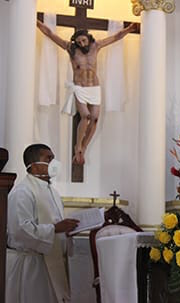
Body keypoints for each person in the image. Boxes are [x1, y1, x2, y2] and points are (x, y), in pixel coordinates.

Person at [36, 20, 138, 165]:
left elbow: (116, 37)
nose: (82, 44)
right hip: (80, 88)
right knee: (86, 116)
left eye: (83, 40)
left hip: (94, 87)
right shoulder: (70, 48)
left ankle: (84, 147)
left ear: (88, 38)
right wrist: (37, 22)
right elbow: (50, 33)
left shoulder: (96, 46)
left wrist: (129, 29)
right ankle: (78, 146)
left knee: (95, 119)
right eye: (78, 42)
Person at [6, 144, 79, 303]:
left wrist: (67, 231)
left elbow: (56, 226)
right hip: (32, 266)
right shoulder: (22, 192)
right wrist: (55, 229)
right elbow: (20, 229)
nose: (54, 162)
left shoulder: (53, 192)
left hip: (52, 262)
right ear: (34, 166)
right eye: (48, 158)